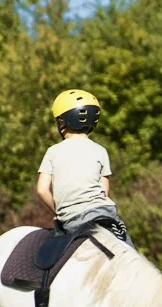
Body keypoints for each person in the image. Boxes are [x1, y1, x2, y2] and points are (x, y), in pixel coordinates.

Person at [37, 89, 132, 245]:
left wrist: (58, 212)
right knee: (129, 256)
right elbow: (105, 192)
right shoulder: (100, 150)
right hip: (106, 215)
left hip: (73, 219)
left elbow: (41, 189)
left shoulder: (53, 152)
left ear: (61, 122)